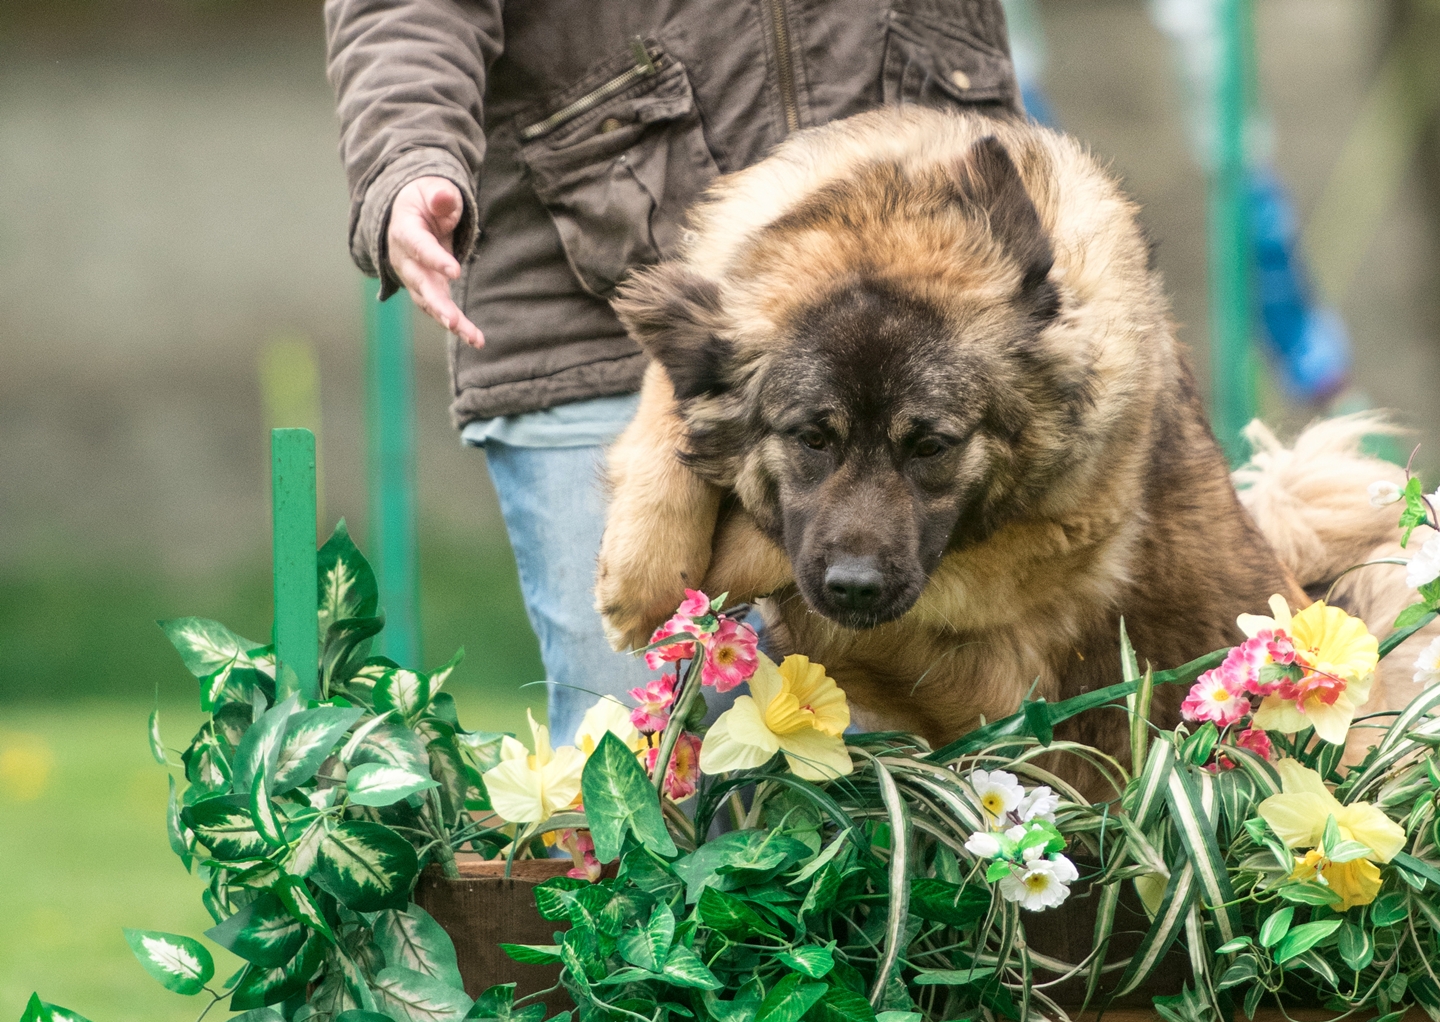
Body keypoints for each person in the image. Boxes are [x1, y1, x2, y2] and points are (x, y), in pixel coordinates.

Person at [324, 0, 1024, 740]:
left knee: (902, 793)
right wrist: (409, 160)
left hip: (925, 316)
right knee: (642, 768)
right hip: (595, 308)